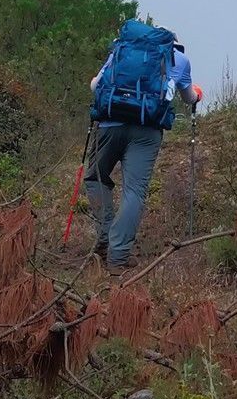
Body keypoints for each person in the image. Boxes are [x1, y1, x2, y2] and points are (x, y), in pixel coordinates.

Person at [84, 20, 196, 269]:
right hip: (147, 129)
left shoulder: (121, 49)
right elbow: (188, 97)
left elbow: (95, 86)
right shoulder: (179, 60)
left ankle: (104, 238)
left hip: (110, 124)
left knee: (95, 178)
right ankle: (119, 256)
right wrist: (197, 95)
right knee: (134, 190)